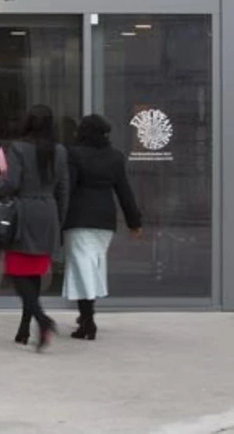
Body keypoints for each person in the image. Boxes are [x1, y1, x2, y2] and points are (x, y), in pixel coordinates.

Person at [0, 104, 69, 351]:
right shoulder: (60, 151)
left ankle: (41, 319)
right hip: (48, 212)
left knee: (17, 271)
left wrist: (1, 175)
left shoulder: (18, 148)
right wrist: (59, 220)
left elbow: (9, 185)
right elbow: (63, 189)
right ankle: (24, 328)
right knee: (34, 272)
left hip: (23, 212)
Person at [62, 114, 143, 340]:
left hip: (78, 217)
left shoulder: (73, 154)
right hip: (105, 220)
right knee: (92, 266)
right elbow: (124, 191)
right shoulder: (115, 157)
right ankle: (85, 317)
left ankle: (87, 320)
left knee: (82, 267)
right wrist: (134, 222)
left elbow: (68, 188)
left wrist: (57, 215)